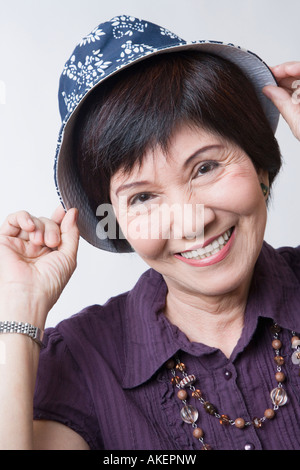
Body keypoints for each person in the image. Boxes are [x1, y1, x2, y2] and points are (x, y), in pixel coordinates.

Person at [0, 15, 299, 451]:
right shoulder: (87, 359)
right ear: (113, 218)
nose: (192, 221)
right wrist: (20, 310)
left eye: (206, 167)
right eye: (142, 198)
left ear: (259, 164)